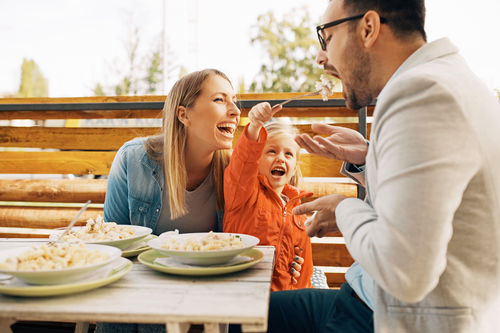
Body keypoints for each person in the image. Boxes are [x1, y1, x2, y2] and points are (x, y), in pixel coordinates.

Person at [269, 0, 500, 332]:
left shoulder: (422, 94)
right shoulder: (447, 80)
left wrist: (345, 209)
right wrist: (368, 158)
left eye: (327, 38)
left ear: (368, 28)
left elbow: (404, 272)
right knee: (236, 316)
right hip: (362, 297)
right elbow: (427, 200)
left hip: (387, 319)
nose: (323, 58)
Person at [98, 69, 304, 333]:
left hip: (210, 291)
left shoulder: (235, 172)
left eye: (234, 102)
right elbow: (114, 244)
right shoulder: (132, 159)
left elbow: (267, 223)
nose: (235, 111)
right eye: (220, 100)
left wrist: (289, 259)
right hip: (146, 286)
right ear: (184, 115)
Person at [223, 102, 313, 290]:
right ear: (257, 159)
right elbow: (243, 161)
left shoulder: (298, 211)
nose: (280, 158)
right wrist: (255, 126)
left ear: (294, 167)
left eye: (288, 154)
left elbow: (304, 268)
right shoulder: (244, 193)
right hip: (244, 290)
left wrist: (301, 289)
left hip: (284, 297)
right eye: (271, 151)